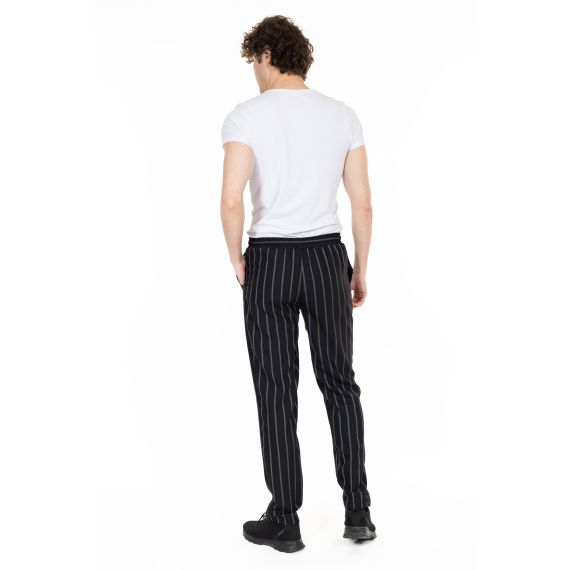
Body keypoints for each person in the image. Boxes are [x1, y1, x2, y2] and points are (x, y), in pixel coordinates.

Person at [220, 15, 376, 553]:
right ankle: (358, 510)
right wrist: (359, 267)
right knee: (340, 382)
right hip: (327, 257)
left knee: (275, 389)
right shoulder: (342, 115)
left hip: (270, 260)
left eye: (253, 61)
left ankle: (285, 519)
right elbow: (362, 204)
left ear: (266, 54)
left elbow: (232, 199)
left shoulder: (246, 116)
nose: (254, 72)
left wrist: (236, 258)